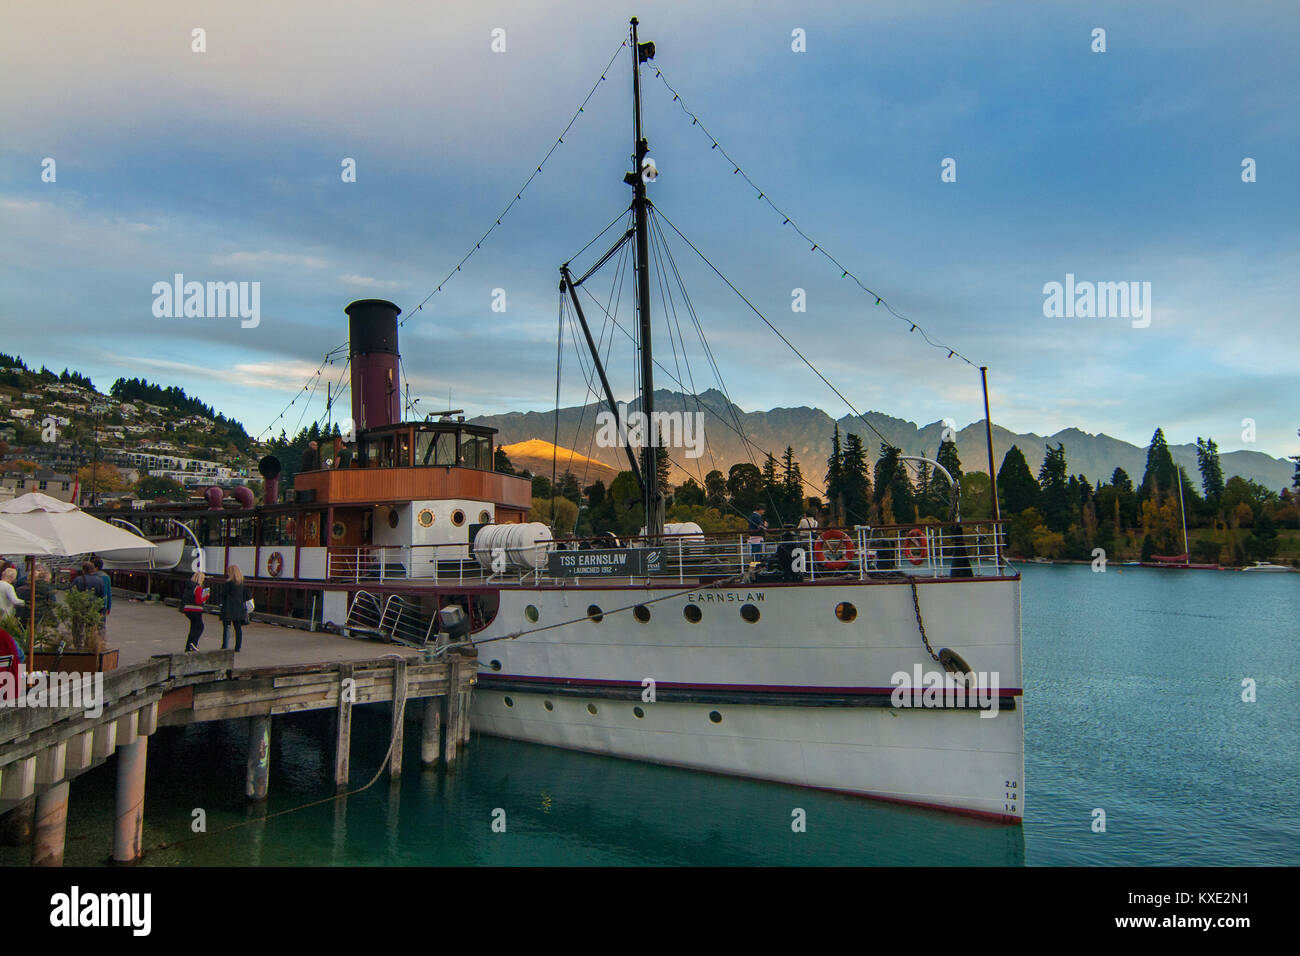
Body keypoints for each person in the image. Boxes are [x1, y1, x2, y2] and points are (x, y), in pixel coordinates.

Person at [219, 565, 250, 652]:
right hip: (238, 608)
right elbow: (247, 596)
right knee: (238, 628)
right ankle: (238, 647)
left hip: (228, 608)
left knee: (226, 627)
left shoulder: (228, 583)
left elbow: (223, 594)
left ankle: (225, 645)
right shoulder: (242, 584)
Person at [182, 571, 210, 652]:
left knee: (193, 628)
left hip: (187, 609)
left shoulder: (189, 586)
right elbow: (198, 601)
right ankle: (193, 644)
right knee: (200, 627)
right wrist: (206, 596)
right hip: (196, 609)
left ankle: (188, 647)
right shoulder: (198, 588)